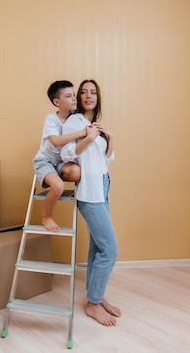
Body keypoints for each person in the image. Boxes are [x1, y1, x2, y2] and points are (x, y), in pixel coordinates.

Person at [61, 79, 120, 327]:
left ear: (98, 97)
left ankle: (96, 296)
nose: (88, 95)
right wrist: (89, 136)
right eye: (83, 92)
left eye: (93, 92)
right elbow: (67, 154)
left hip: (103, 187)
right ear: (78, 98)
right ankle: (93, 304)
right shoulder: (75, 122)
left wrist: (109, 137)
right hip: (89, 193)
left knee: (97, 247)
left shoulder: (94, 124)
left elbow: (106, 159)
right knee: (110, 249)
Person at [32, 80, 86, 232]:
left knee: (77, 172)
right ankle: (46, 216)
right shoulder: (52, 119)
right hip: (45, 161)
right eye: (69, 96)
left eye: (74, 95)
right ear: (57, 102)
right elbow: (55, 141)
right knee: (59, 187)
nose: (74, 99)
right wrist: (83, 132)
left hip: (62, 162)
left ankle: (55, 179)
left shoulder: (76, 118)